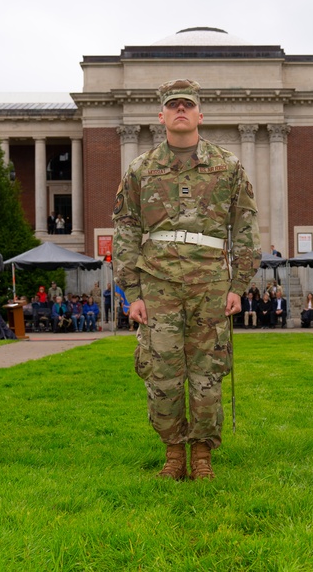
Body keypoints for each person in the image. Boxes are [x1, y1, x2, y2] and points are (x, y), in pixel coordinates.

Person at [112, 79, 261, 481]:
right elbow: (125, 228)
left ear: (200, 114)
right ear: (161, 116)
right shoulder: (141, 169)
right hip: (157, 282)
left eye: (188, 105)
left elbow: (245, 225)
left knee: (208, 371)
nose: (181, 110)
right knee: (161, 371)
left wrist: (239, 285)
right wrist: (131, 291)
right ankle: (173, 451)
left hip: (210, 282)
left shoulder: (227, 166)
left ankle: (202, 453)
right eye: (173, 105)